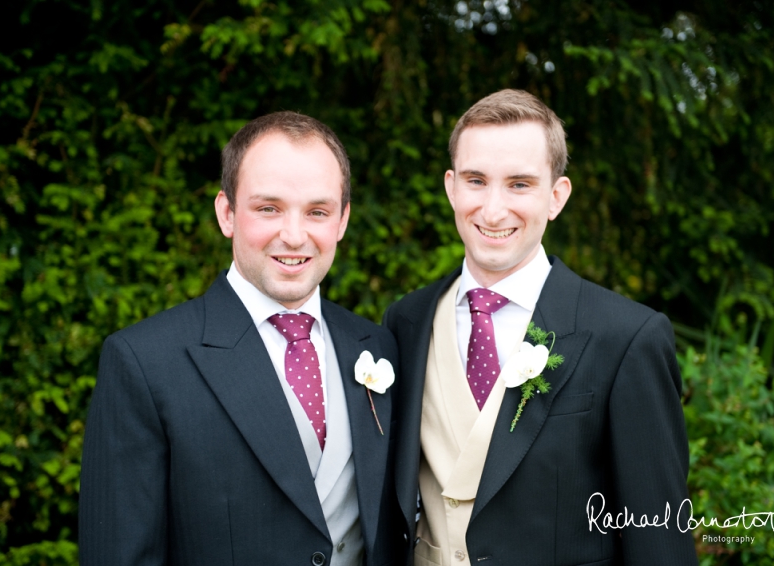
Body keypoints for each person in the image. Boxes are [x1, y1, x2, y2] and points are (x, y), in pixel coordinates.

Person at [384, 90, 697, 565]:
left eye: (519, 184)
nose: (492, 210)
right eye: (476, 180)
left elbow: (659, 539)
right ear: (451, 187)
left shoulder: (628, 337)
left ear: (556, 196)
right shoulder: (405, 322)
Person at [79, 111, 401, 565]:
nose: (294, 235)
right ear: (227, 213)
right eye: (268, 208)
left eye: (317, 211)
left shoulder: (377, 347)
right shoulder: (144, 363)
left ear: (343, 220)